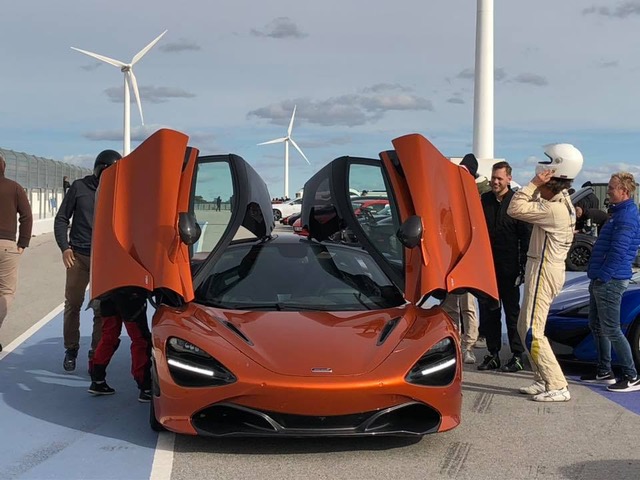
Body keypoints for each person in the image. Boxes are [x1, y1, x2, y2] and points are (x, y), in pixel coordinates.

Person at [507, 143, 583, 402]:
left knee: (531, 330)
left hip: (544, 269)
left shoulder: (555, 209)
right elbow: (542, 199)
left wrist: (531, 184)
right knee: (522, 325)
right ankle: (542, 378)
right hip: (545, 268)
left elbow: (515, 208)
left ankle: (557, 384)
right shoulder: (562, 201)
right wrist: (542, 187)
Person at [54, 149, 122, 372]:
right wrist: (65, 248)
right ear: (97, 169)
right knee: (72, 304)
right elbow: (62, 218)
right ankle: (71, 349)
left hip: (106, 260)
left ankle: (95, 355)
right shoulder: (79, 188)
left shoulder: (119, 194)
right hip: (79, 257)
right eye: (105, 171)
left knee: (101, 309)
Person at [580, 172, 640, 392]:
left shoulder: (626, 217)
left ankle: (631, 376)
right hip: (602, 277)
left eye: (612, 187)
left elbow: (618, 251)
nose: (609, 190)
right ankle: (604, 370)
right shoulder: (617, 214)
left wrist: (604, 275)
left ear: (624, 191)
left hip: (611, 280)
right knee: (596, 325)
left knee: (612, 329)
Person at [477, 161, 531, 372]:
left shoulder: (516, 202)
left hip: (510, 269)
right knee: (489, 312)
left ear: (509, 178)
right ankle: (493, 354)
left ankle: (517, 355)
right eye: (493, 178)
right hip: (487, 268)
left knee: (512, 313)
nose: (495, 182)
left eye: (499, 178)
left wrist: (523, 267)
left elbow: (525, 236)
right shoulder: (485, 200)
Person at [442, 153, 491, 364]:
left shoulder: (476, 194)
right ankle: (457, 344)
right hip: (453, 256)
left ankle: (467, 345)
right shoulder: (452, 193)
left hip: (466, 257)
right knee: (456, 304)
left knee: (466, 304)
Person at [88, 288, 152, 401]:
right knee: (140, 340)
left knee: (109, 337)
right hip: (130, 292)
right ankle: (145, 387)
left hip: (107, 292)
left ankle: (97, 379)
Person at [0, 154, 33, 352]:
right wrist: (23, 242)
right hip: (7, 245)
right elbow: (27, 216)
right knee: (5, 292)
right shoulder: (14, 187)